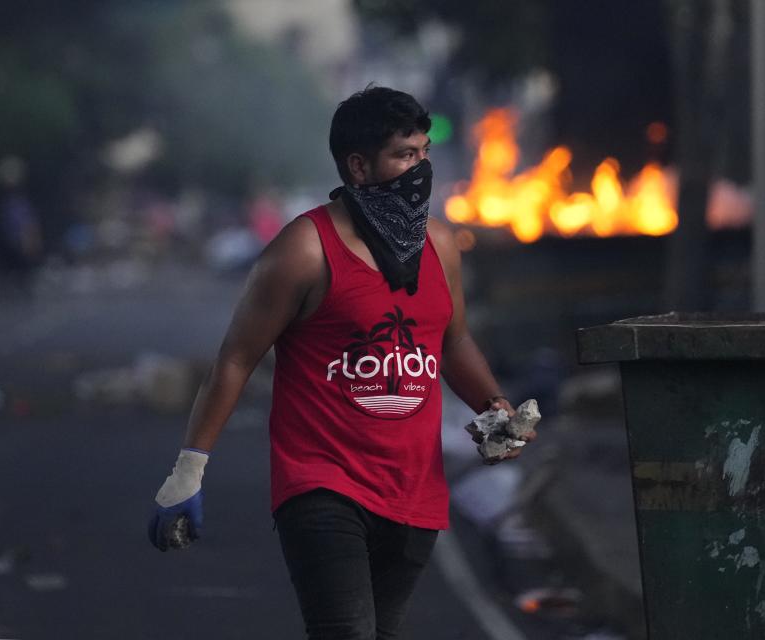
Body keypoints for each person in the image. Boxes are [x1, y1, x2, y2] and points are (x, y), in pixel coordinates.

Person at [148, 86, 537, 639]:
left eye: (424, 153)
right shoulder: (302, 249)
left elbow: (450, 342)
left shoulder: (440, 245)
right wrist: (188, 471)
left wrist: (496, 411)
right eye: (405, 155)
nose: (420, 168)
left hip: (415, 491)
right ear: (358, 165)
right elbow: (235, 360)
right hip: (323, 486)